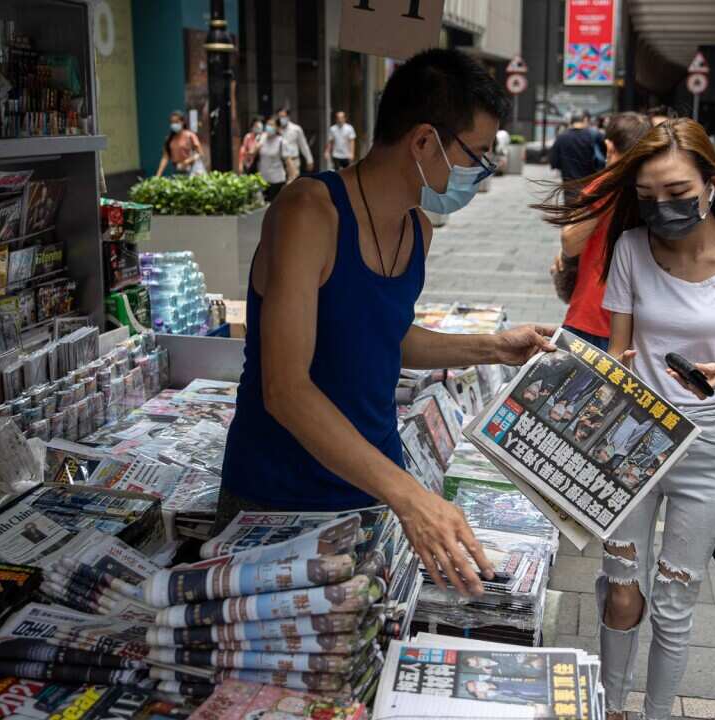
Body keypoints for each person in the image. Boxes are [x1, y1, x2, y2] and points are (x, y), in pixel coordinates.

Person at [219, 48, 555, 599]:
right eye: (478, 155)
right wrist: (410, 495)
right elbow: (284, 388)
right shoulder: (310, 211)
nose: (483, 172)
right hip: (277, 499)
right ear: (424, 141)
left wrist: (493, 347)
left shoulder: (418, 230)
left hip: (368, 488)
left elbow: (387, 338)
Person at [539, 118, 715, 720]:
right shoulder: (629, 250)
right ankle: (611, 707)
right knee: (622, 591)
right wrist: (607, 370)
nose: (663, 208)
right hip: (631, 442)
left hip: (709, 448)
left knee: (676, 601)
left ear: (711, 183)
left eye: (677, 194)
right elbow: (619, 348)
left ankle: (652, 713)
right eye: (648, 198)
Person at [554, 112, 650, 350]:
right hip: (641, 323)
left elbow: (570, 241)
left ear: (609, 147)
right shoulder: (655, 186)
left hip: (593, 315)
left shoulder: (604, 186)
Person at [548, 110, 604, 187]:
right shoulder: (594, 135)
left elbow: (554, 162)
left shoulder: (561, 137)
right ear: (585, 120)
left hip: (569, 185)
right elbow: (604, 156)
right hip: (590, 184)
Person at [153, 111, 206, 177]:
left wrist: (188, 161)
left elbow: (200, 153)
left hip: (193, 170)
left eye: (176, 122)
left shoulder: (190, 136)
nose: (174, 124)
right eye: (172, 122)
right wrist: (158, 175)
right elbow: (165, 157)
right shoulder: (169, 139)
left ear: (182, 122)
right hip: (178, 170)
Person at [276, 105, 315, 182]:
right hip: (279, 163)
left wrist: (309, 160)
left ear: (288, 117)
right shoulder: (275, 129)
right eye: (280, 117)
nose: (282, 119)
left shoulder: (296, 129)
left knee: (292, 184)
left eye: (284, 116)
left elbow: (303, 145)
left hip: (294, 161)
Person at [255, 120, 289, 202]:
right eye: (267, 124)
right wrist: (260, 142)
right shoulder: (262, 138)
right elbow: (252, 153)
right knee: (264, 205)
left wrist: (292, 177)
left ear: (277, 128)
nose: (269, 127)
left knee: (273, 204)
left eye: (272, 125)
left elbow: (288, 160)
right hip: (263, 178)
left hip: (277, 179)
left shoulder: (281, 142)